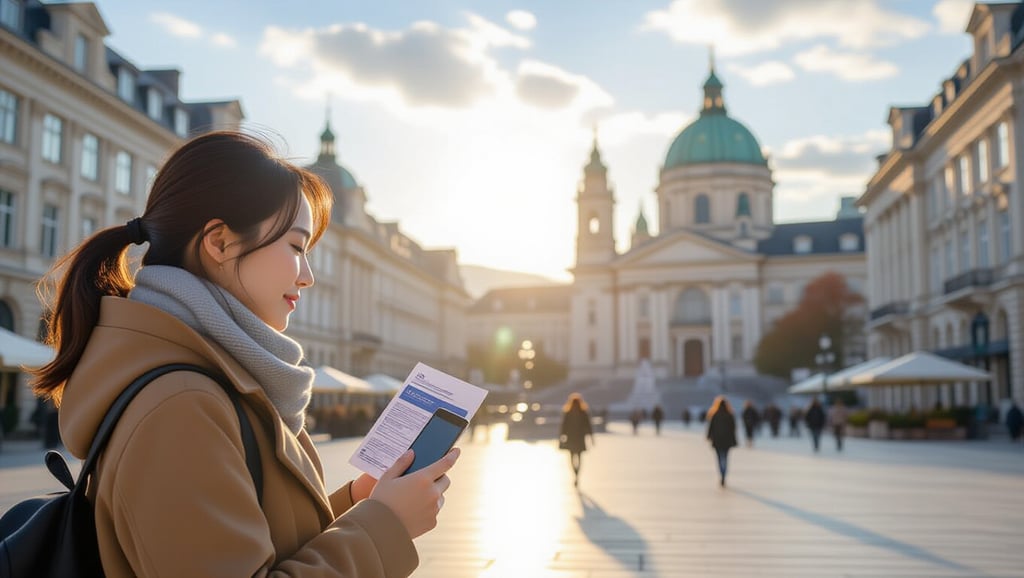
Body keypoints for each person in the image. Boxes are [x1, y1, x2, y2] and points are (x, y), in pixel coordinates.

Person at [30, 131, 456, 577]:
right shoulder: (182, 404)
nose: (307, 276)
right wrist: (385, 527)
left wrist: (358, 502)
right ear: (219, 242)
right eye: (295, 246)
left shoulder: (217, 377)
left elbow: (254, 544)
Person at [559, 392, 595, 487]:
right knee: (579, 458)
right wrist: (591, 438)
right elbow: (588, 426)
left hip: (571, 438)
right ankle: (577, 475)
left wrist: (561, 438)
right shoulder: (583, 413)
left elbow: (563, 427)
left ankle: (575, 473)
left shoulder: (568, 413)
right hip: (579, 438)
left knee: (572, 458)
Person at [705, 395, 738, 487]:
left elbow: (711, 427)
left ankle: (721, 473)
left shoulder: (714, 414)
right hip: (727, 440)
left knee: (719, 458)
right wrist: (734, 439)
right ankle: (724, 474)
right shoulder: (729, 415)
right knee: (725, 458)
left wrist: (708, 436)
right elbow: (733, 428)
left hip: (717, 440)